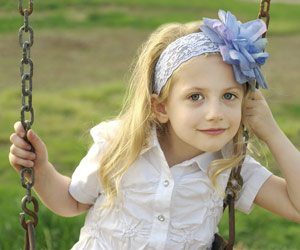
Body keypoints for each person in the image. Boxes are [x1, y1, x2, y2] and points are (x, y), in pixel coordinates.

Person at [9, 9, 300, 250]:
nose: (215, 114)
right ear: (161, 107)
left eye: (229, 96)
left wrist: (271, 132)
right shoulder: (119, 145)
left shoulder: (229, 164)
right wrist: (40, 169)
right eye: (195, 97)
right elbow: (71, 201)